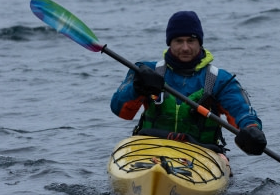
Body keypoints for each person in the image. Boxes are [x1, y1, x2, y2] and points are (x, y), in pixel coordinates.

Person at [110, 11, 267, 155]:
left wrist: (251, 129)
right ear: (169, 43)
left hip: (202, 152)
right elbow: (120, 111)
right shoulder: (146, 72)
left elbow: (241, 110)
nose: (185, 48)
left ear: (200, 42)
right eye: (179, 41)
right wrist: (137, 87)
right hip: (150, 148)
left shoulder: (219, 79)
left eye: (191, 41)